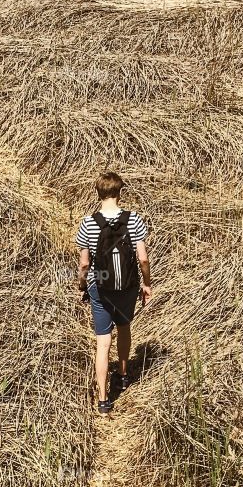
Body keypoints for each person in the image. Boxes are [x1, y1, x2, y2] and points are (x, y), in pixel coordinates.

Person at [75, 172, 152, 414]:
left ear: (97, 194)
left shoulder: (88, 223)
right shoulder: (134, 220)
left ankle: (103, 398)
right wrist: (147, 284)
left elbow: (85, 264)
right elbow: (143, 258)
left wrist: (81, 285)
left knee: (102, 342)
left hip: (101, 285)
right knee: (124, 328)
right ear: (121, 192)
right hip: (128, 285)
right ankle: (123, 374)